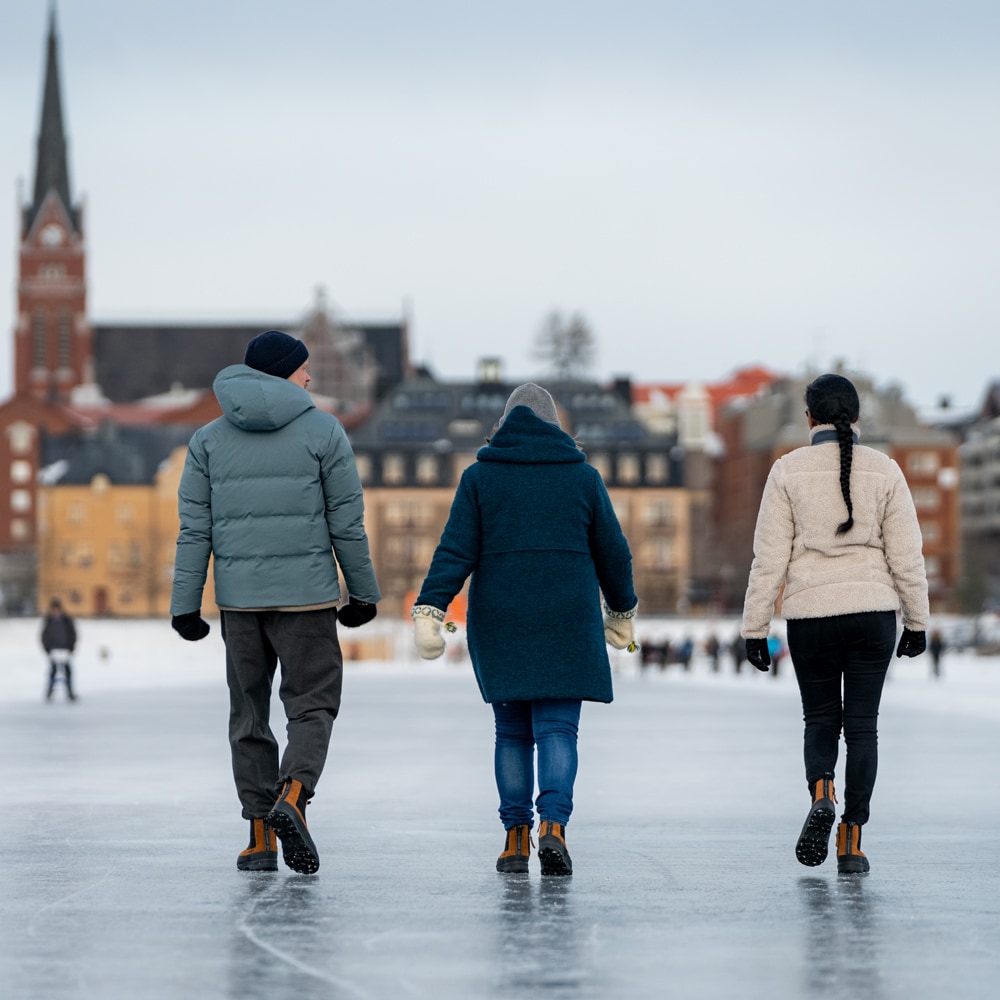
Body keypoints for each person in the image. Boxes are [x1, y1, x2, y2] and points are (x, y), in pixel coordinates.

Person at [170, 330, 380, 875]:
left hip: (240, 606)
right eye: (303, 369)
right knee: (312, 704)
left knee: (249, 714)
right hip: (307, 601)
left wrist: (185, 605)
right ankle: (294, 795)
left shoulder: (207, 440)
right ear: (285, 373)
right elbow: (347, 524)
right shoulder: (324, 430)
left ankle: (259, 836)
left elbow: (195, 531)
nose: (309, 377)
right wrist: (363, 593)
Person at [410, 384, 637, 876]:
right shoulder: (583, 477)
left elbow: (455, 551)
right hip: (568, 621)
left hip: (501, 620)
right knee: (558, 728)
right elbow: (614, 553)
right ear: (555, 425)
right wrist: (621, 610)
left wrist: (431, 607)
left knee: (511, 733)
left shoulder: (479, 478)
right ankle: (553, 827)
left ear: (503, 424)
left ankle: (514, 839)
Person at [742, 374, 928, 875]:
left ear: (809, 418)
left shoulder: (786, 471)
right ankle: (851, 839)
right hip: (872, 615)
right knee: (862, 727)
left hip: (811, 617)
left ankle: (822, 791)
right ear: (857, 417)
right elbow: (907, 556)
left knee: (821, 719)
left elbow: (768, 559)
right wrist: (916, 621)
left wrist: (755, 628)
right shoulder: (886, 470)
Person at [41, 598, 77, 702]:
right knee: (53, 671)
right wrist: (47, 648)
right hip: (54, 650)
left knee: (68, 672)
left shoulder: (66, 620)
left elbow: (72, 634)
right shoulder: (48, 621)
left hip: (65, 649)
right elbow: (44, 636)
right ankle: (49, 692)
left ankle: (70, 692)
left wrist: (71, 647)